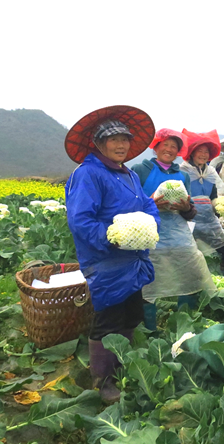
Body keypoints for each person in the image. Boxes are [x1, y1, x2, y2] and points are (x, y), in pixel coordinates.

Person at [64, 105, 159, 403]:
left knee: (131, 314)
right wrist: (113, 238)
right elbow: (81, 220)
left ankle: (121, 367)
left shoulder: (128, 174)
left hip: (134, 260)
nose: (121, 145)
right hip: (105, 260)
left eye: (125, 139)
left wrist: (149, 226)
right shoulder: (89, 174)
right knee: (108, 317)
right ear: (99, 143)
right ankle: (103, 380)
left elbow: (148, 206)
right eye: (113, 139)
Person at [132, 129, 216, 331]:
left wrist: (186, 208)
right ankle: (149, 329)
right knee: (148, 283)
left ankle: (184, 325)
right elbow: (130, 204)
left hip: (179, 234)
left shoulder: (183, 175)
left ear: (179, 151)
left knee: (189, 273)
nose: (169, 149)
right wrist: (151, 203)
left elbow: (191, 211)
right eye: (165, 145)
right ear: (156, 146)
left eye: (174, 147)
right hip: (150, 234)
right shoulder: (140, 170)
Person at [179, 129, 224, 276]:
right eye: (200, 150)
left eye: (206, 151)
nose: (203, 154)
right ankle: (192, 284)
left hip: (209, 220)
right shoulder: (182, 171)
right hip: (188, 220)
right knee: (188, 255)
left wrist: (221, 207)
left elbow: (213, 196)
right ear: (192, 152)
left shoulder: (210, 172)